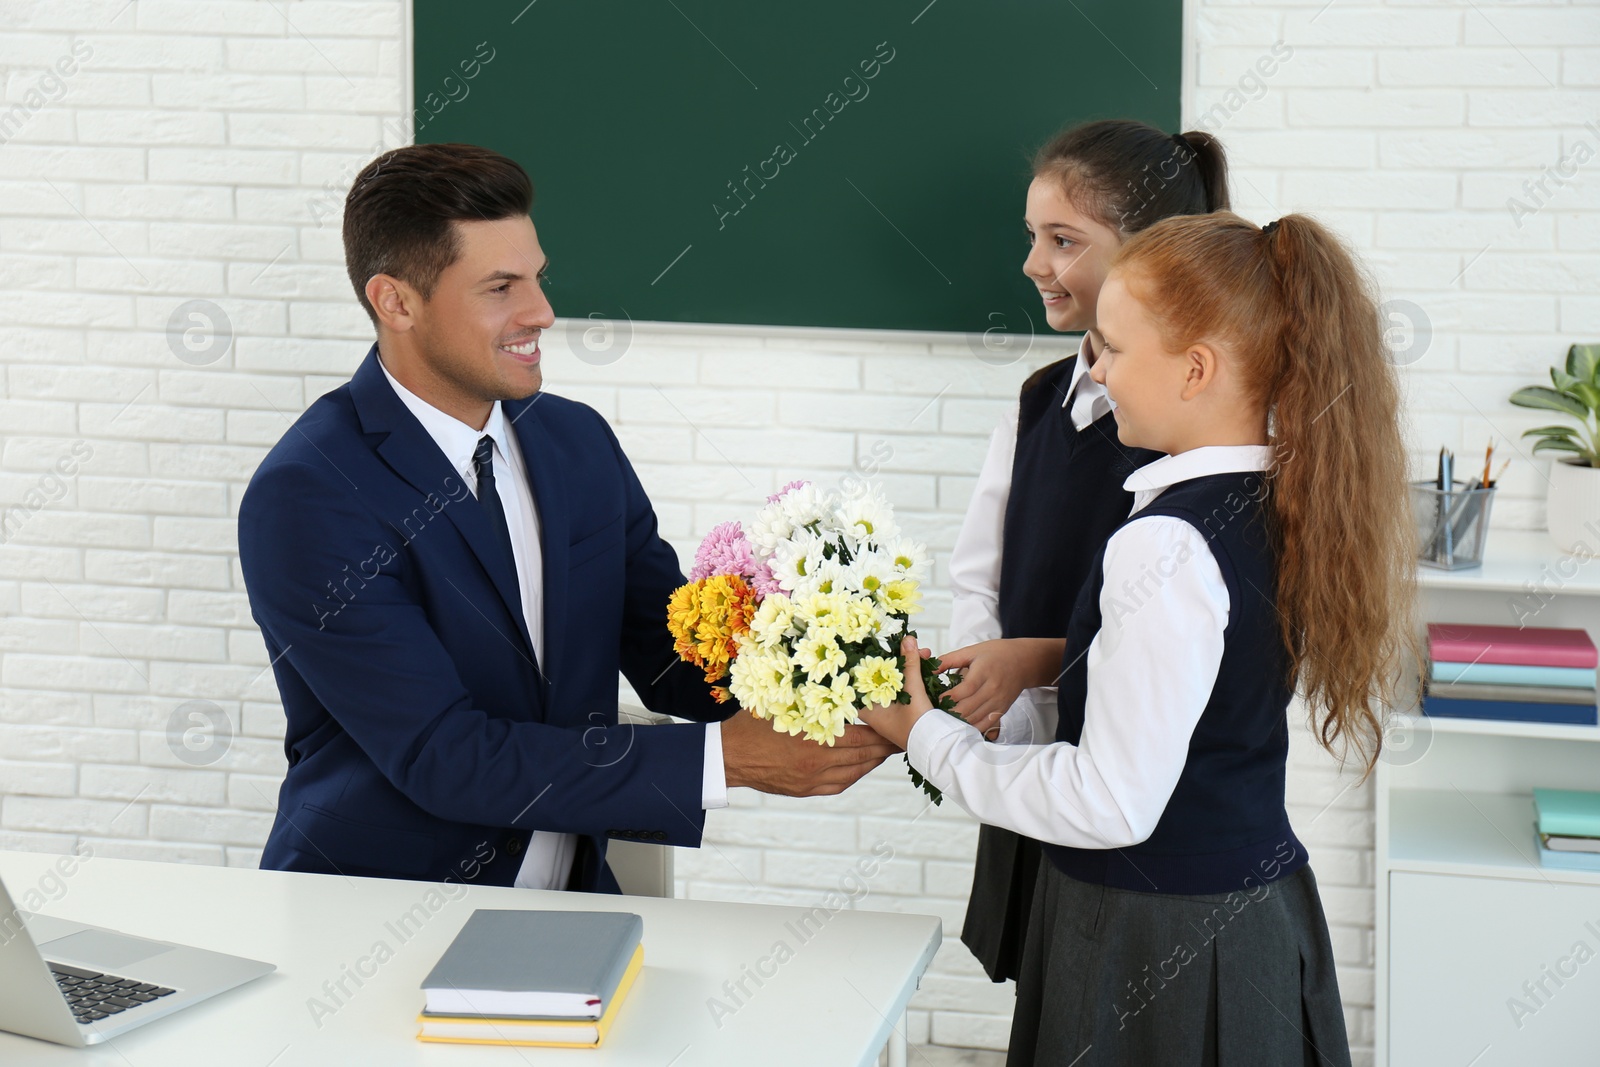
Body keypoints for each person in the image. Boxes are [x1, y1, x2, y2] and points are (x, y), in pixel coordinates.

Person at [237, 143, 896, 893]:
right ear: (396, 301)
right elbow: (443, 754)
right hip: (374, 923)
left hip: (570, 906)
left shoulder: (574, 441)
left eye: (537, 278)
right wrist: (727, 760)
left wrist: (849, 679)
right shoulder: (310, 493)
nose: (542, 311)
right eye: (500, 287)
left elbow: (668, 650)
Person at [863, 211, 1414, 1064]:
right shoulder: (1279, 503)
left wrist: (926, 738)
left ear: (1196, 369)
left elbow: (1111, 800)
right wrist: (1018, 708)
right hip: (1246, 912)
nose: (1101, 371)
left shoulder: (1165, 542)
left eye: (1114, 349)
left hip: (1156, 937)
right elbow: (1179, 723)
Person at [941, 119, 1230, 984]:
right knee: (1050, 980)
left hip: (1139, 811)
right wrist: (989, 689)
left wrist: (1036, 664)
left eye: (1063, 240)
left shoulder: (1193, 433)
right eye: (1033, 236)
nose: (1034, 262)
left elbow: (1195, 644)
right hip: (1030, 770)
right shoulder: (1036, 403)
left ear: (1153, 256)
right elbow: (975, 573)